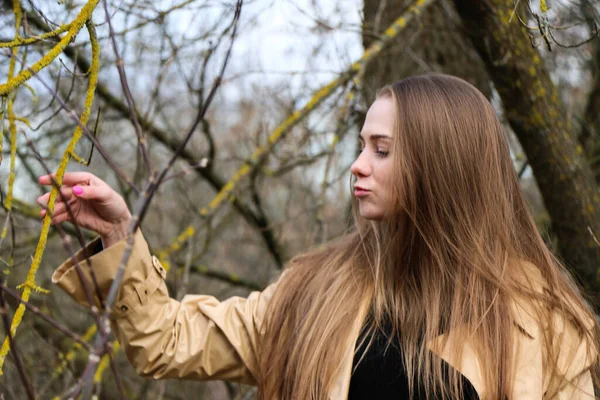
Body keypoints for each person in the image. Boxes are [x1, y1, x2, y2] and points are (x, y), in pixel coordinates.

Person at [40, 74, 599, 399]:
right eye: (361, 145)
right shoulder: (315, 293)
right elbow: (164, 340)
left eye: (382, 150)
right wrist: (120, 234)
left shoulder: (547, 330)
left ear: (441, 166)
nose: (357, 165)